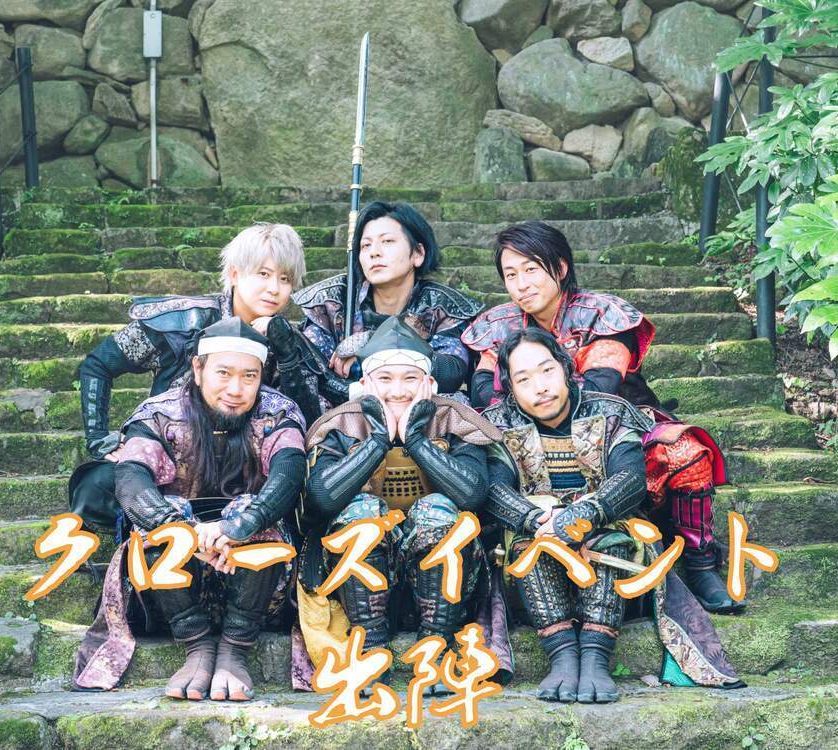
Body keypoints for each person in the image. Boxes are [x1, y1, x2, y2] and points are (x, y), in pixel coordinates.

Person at [463, 221, 738, 614]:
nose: (521, 284)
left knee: (686, 453)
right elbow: (483, 391)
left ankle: (700, 562)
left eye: (531, 270)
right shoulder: (498, 324)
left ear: (560, 268)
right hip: (526, 439)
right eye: (510, 275)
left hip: (611, 430)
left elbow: (599, 387)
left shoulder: (602, 314)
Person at [482, 328, 743, 704]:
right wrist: (534, 519)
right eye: (523, 379)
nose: (540, 387)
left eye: (547, 371)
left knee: (610, 541)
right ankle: (561, 654)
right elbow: (494, 488)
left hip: (609, 540)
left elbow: (631, 479)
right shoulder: (497, 423)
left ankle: (595, 655)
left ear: (566, 368)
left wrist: (583, 514)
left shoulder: (611, 411)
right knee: (531, 547)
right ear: (510, 388)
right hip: (535, 542)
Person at [73, 318, 307, 701]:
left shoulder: (278, 414)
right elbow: (131, 478)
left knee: (254, 511)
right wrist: (185, 533)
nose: (236, 389)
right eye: (223, 373)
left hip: (256, 582)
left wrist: (239, 526)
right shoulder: (159, 414)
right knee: (160, 522)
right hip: (173, 584)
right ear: (198, 368)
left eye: (249, 376)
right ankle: (196, 645)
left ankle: (234, 649)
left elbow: (289, 473)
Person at [290, 317, 511, 695]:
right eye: (385, 379)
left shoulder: (454, 419)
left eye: (410, 378)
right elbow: (321, 500)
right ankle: (371, 648)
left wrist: (416, 440)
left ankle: (437, 649)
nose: (398, 391)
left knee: (437, 510)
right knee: (363, 515)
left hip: (446, 587)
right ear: (364, 384)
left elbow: (473, 495)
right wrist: (378, 440)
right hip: (360, 588)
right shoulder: (340, 424)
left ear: (429, 383)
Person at [70, 223, 308, 532]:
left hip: (245, 469)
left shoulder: (290, 338)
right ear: (235, 274)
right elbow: (98, 364)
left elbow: (307, 418)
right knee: (99, 487)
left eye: (285, 279)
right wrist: (99, 438)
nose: (274, 288)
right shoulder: (180, 322)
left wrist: (289, 356)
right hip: (173, 459)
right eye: (263, 274)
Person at [268, 201, 483, 410]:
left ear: (418, 253)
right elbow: (310, 369)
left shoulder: (441, 305)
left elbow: (451, 372)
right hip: (344, 412)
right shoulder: (333, 300)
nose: (374, 252)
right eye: (366, 245)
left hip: (416, 408)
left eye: (387, 241)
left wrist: (373, 343)